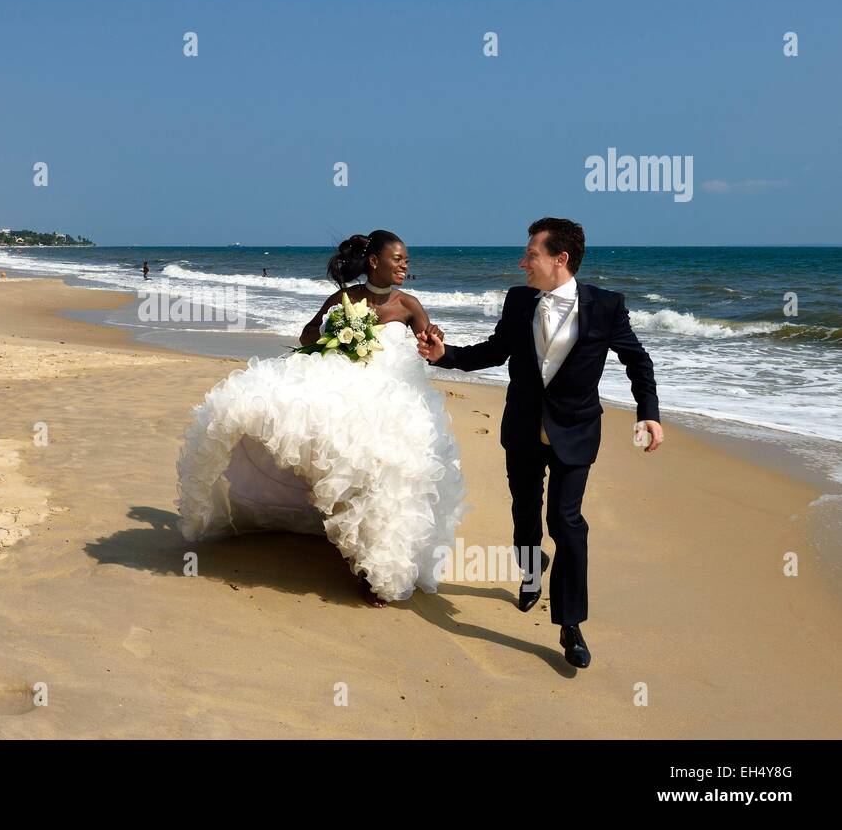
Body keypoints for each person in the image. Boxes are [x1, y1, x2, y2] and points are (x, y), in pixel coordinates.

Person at [417, 217, 662, 669]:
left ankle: (571, 624)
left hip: (577, 430)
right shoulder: (519, 300)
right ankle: (532, 572)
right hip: (524, 427)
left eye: (530, 254)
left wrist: (649, 413)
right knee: (525, 515)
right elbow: (495, 350)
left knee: (567, 522)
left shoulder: (607, 306)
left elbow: (637, 360)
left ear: (559, 259)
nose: (522, 262)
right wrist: (444, 356)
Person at [176, 229, 464, 608]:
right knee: (318, 443)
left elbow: (429, 342)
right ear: (374, 262)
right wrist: (340, 332)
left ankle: (374, 568)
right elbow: (309, 333)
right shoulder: (345, 298)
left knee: (385, 469)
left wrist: (433, 338)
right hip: (343, 387)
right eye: (398, 259)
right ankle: (348, 546)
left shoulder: (409, 305)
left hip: (395, 397)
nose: (404, 266)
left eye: (407, 260)